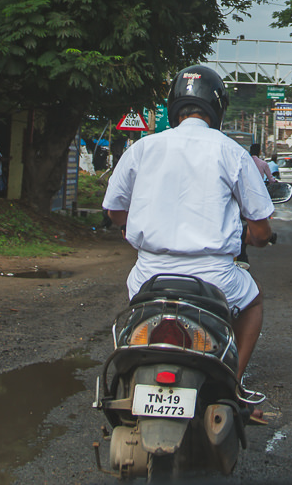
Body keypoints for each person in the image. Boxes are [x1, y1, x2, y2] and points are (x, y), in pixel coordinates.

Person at [104, 66, 275, 421]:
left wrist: (132, 226)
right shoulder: (232, 152)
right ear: (217, 108)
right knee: (254, 303)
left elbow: (114, 210)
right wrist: (254, 238)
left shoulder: (143, 148)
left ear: (173, 107)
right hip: (214, 278)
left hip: (150, 275)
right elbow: (260, 229)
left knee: (133, 319)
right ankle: (233, 384)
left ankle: (130, 377)